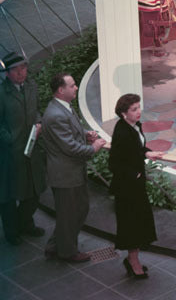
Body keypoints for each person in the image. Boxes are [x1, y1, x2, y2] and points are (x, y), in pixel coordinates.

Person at [39, 73, 106, 262]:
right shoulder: (56, 115)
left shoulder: (62, 108)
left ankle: (55, 246)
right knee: (72, 213)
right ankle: (67, 252)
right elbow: (70, 147)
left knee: (74, 211)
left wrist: (85, 134)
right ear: (61, 90)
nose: (76, 88)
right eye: (73, 85)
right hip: (66, 175)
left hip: (71, 173)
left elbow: (70, 130)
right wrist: (93, 147)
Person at [109, 93, 164, 279]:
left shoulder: (134, 126)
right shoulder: (122, 131)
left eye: (139, 107)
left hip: (135, 185)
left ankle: (133, 259)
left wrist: (147, 153)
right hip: (127, 188)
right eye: (134, 109)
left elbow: (135, 149)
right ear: (124, 114)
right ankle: (133, 261)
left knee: (138, 222)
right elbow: (115, 163)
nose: (139, 112)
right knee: (132, 224)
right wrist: (136, 174)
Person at [0, 52, 46, 245]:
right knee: (10, 194)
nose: (21, 73)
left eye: (23, 68)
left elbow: (36, 109)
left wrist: (39, 122)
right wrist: (9, 139)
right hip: (10, 153)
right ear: (7, 73)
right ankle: (12, 231)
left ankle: (24, 223)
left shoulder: (31, 86)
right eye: (15, 69)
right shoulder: (2, 93)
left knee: (34, 190)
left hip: (32, 147)